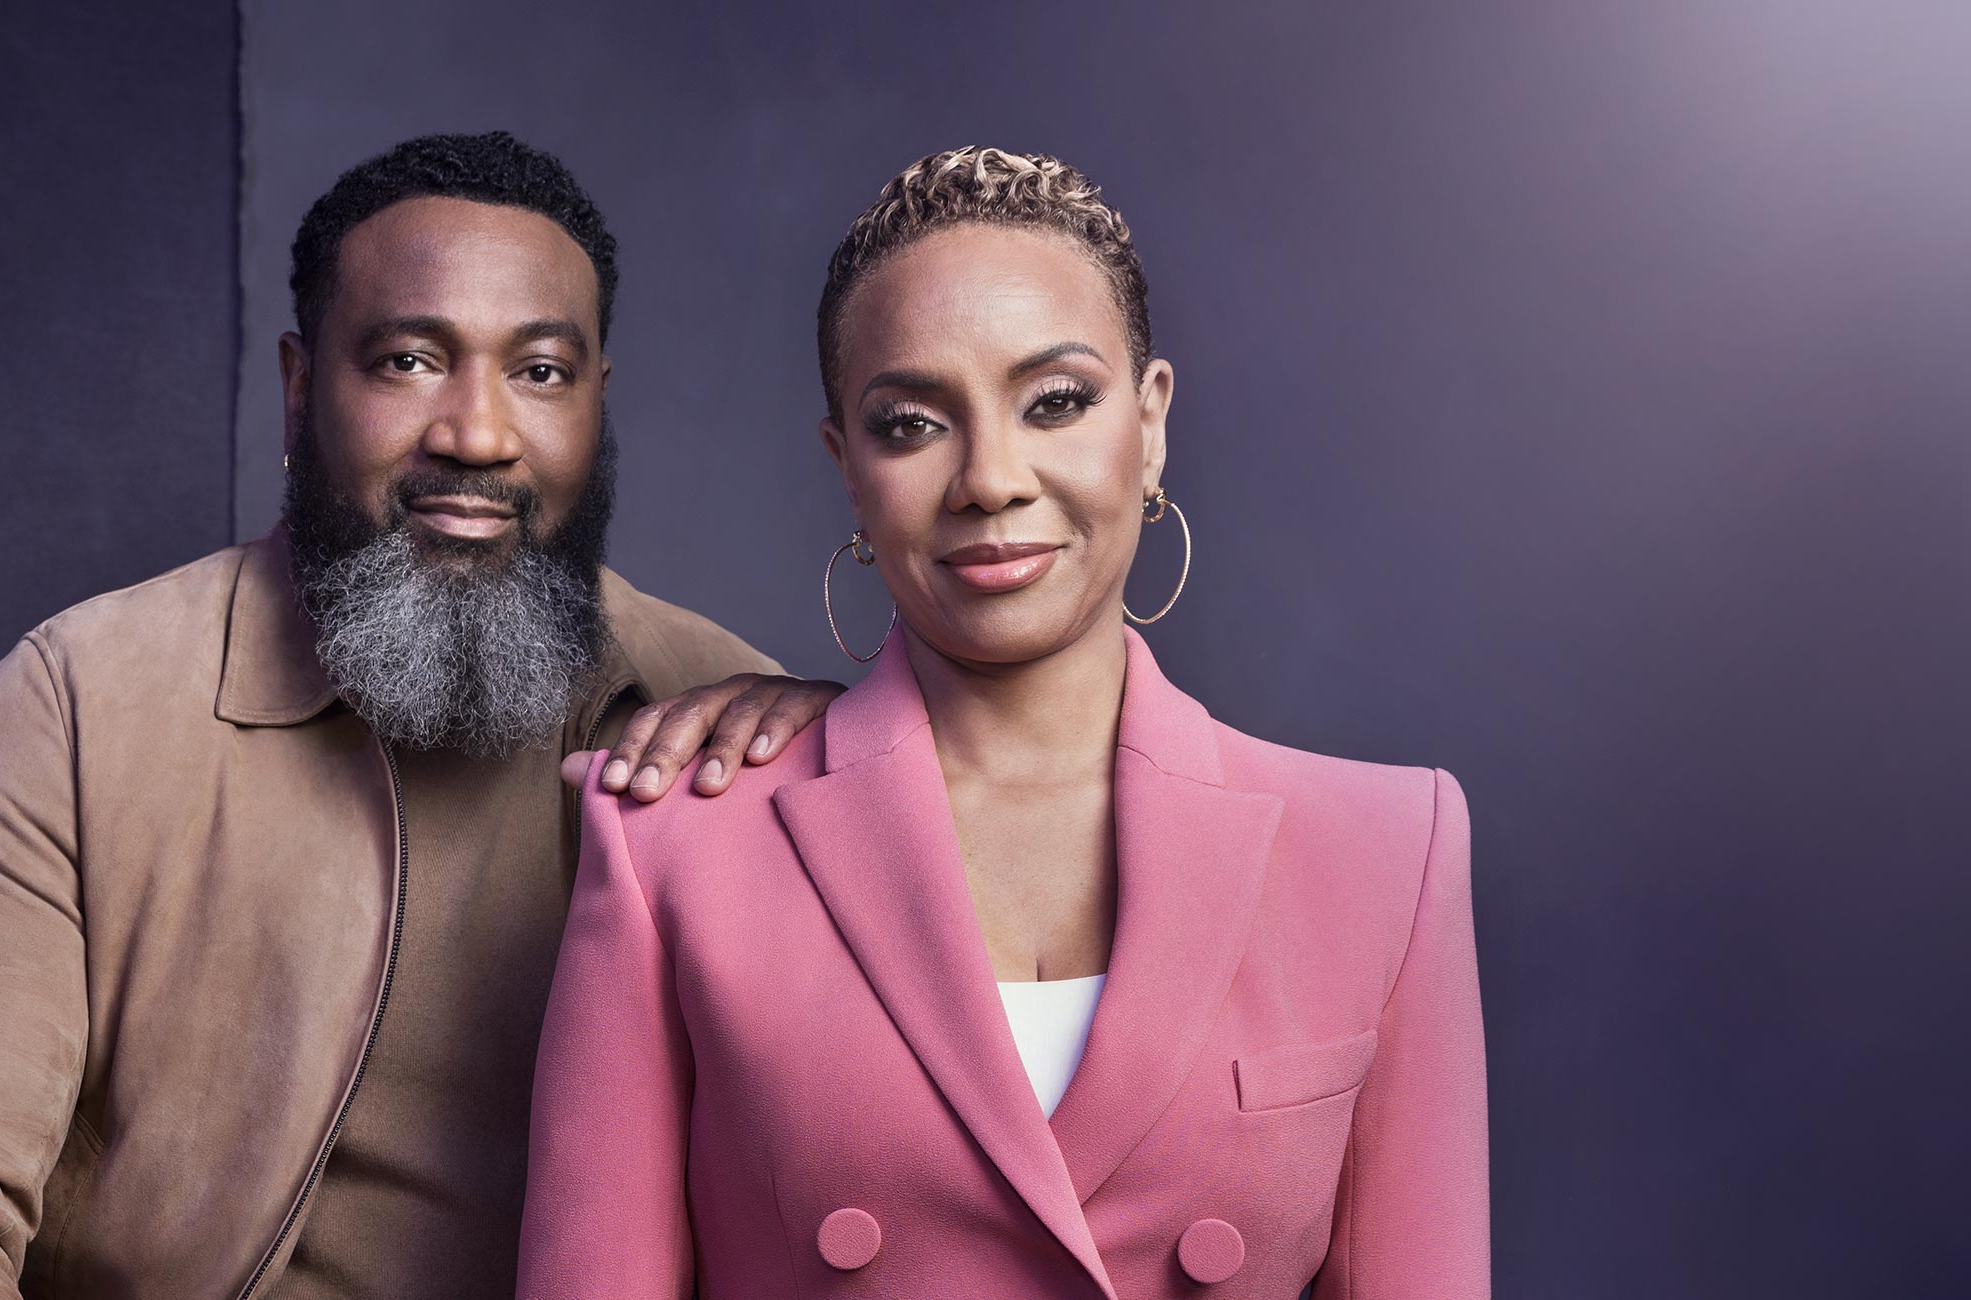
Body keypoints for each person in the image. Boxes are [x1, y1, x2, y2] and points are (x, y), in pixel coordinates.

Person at [0, 131, 842, 1299]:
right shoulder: (82, 704)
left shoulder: (726, 718)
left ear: (599, 405)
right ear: (302, 390)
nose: (477, 433)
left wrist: (850, 746)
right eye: (406, 360)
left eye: (540, 371)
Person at [517, 148, 1489, 1299]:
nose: (991, 477)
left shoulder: (1388, 850)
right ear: (847, 470)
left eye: (1057, 403)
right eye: (913, 423)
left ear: (1153, 423)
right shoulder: (666, 849)